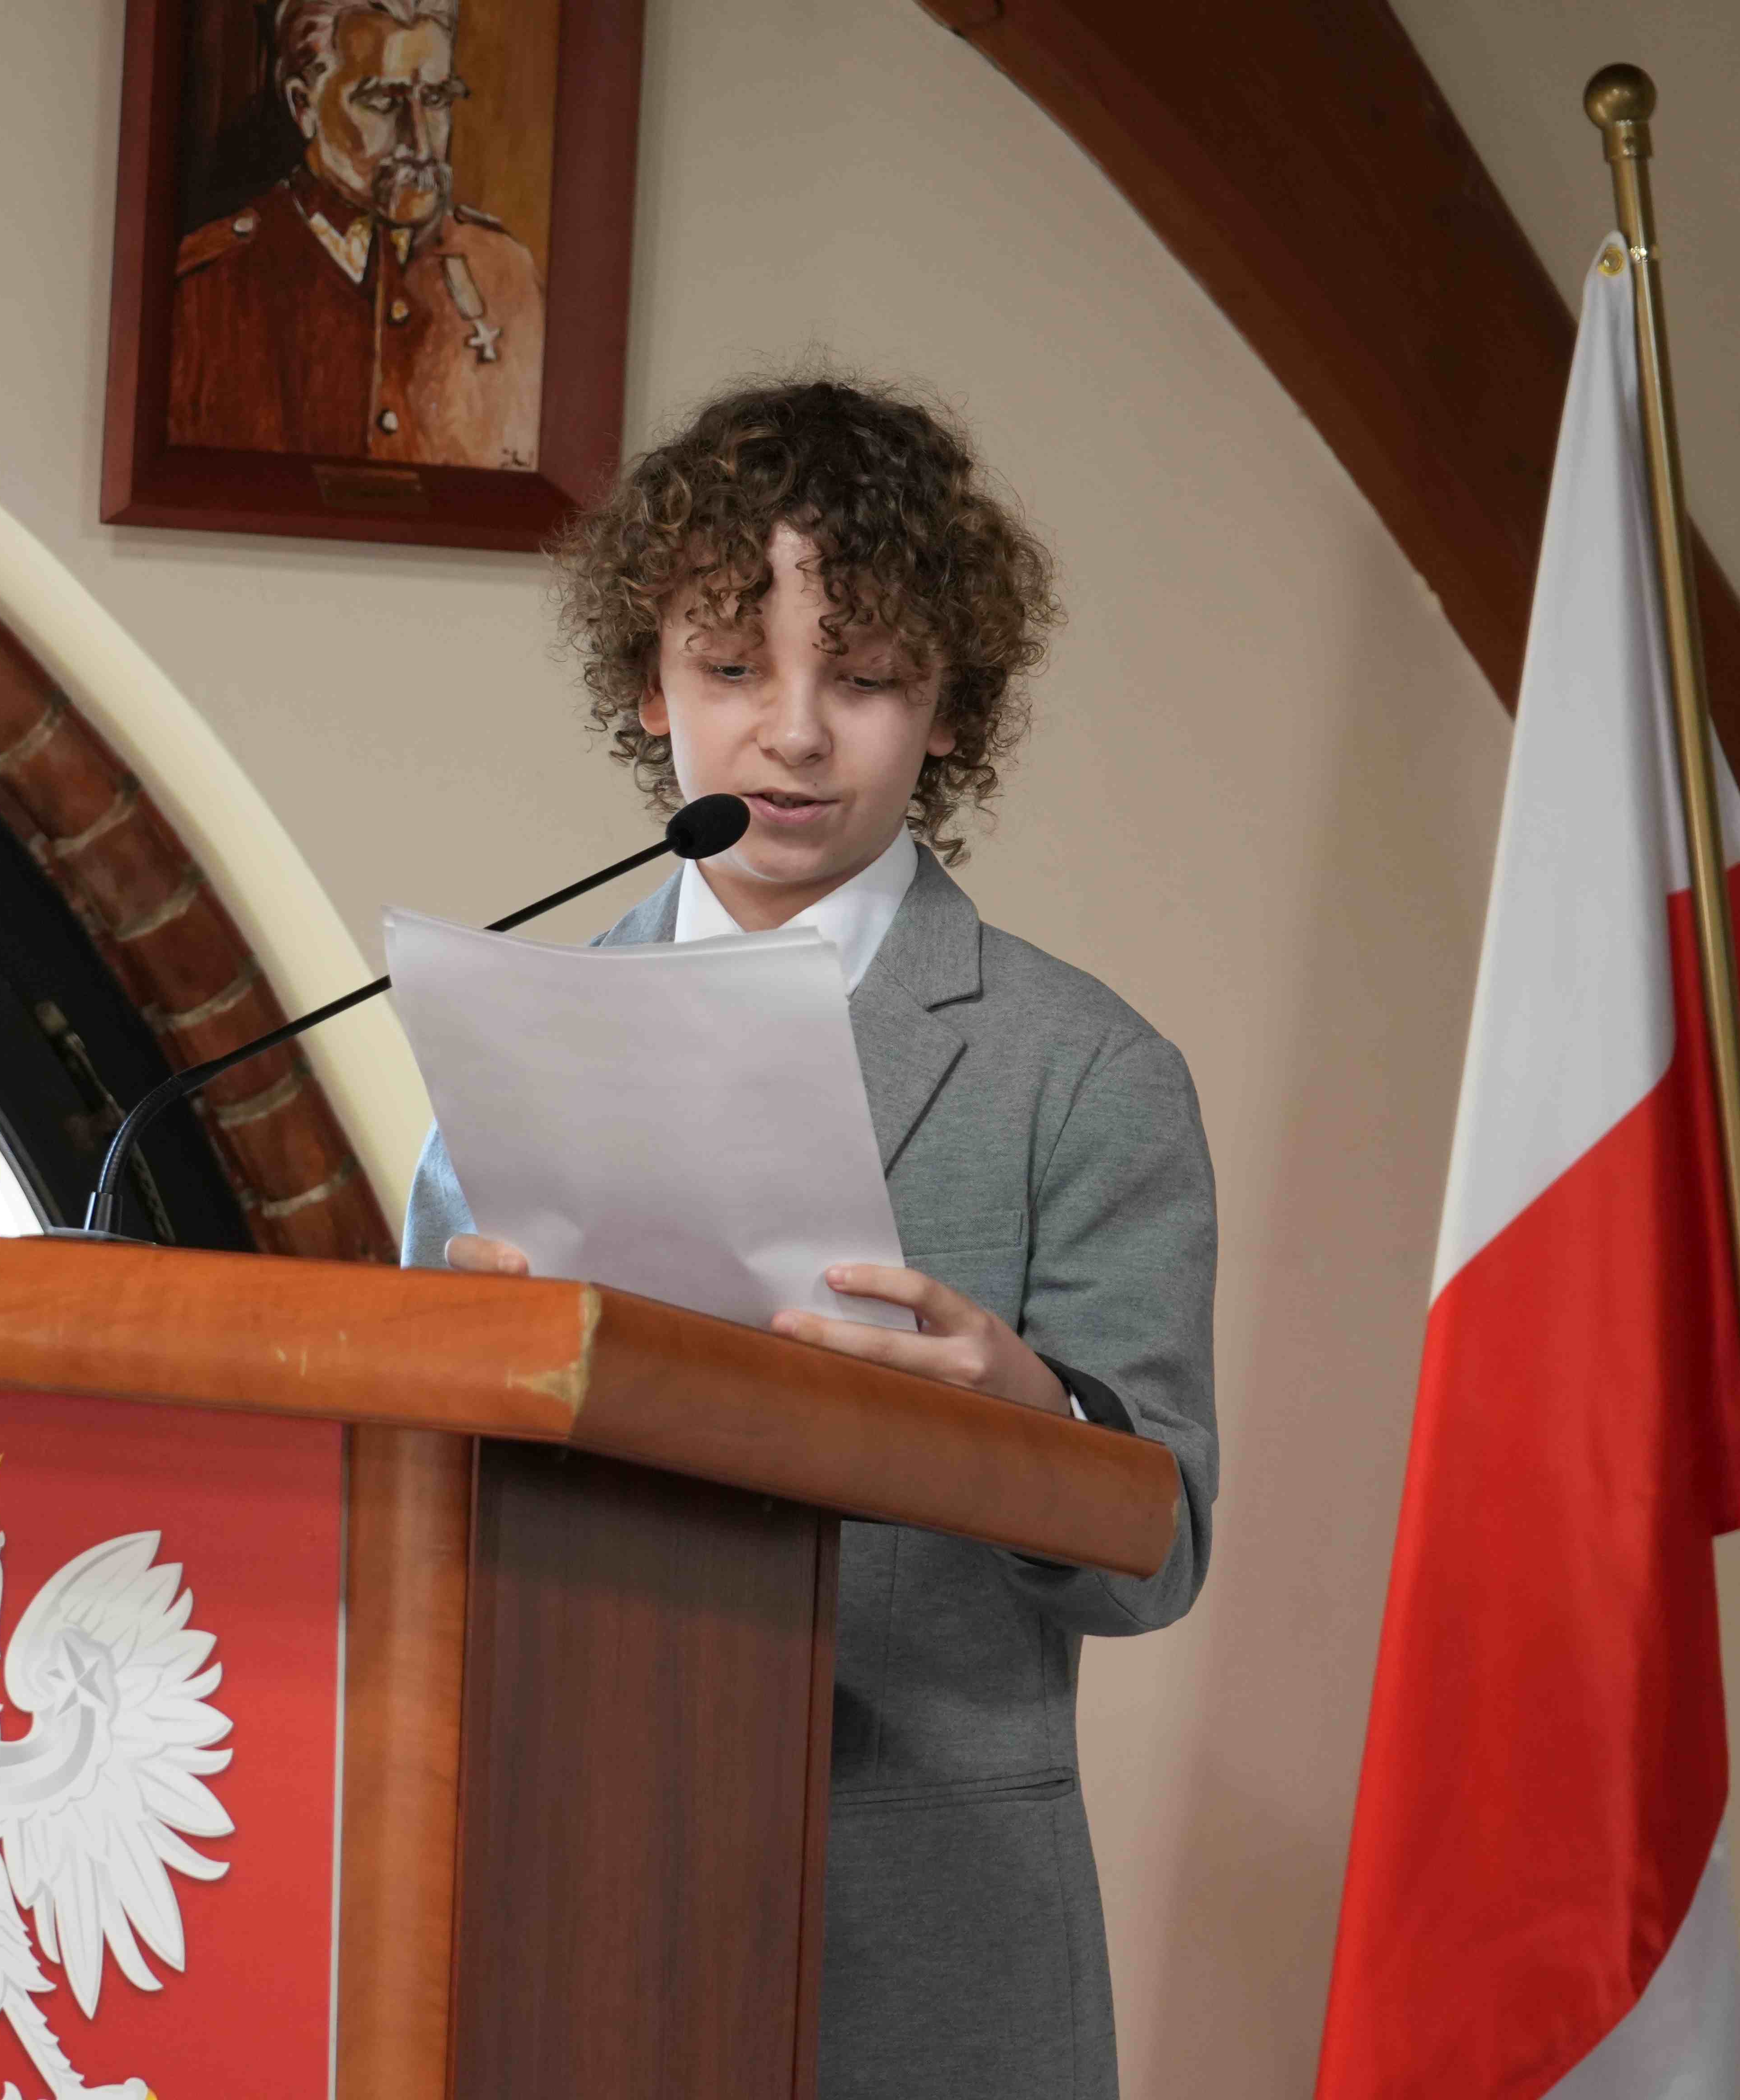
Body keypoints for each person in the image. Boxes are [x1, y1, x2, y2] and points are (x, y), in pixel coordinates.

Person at [404, 379, 1219, 2099]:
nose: (791, 734)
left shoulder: (1085, 1070)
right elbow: (410, 1511)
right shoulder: (516, 1034)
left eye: (860, 677)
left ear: (949, 705)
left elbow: (1161, 1555)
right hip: (561, 1900)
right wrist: (465, 1377)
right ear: (648, 686)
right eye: (731, 667)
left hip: (929, 1933)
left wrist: (1026, 1412)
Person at [168, 0, 544, 471]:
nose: (420, 142)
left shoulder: (506, 275)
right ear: (304, 106)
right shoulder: (206, 288)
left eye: (435, 99)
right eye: (383, 102)